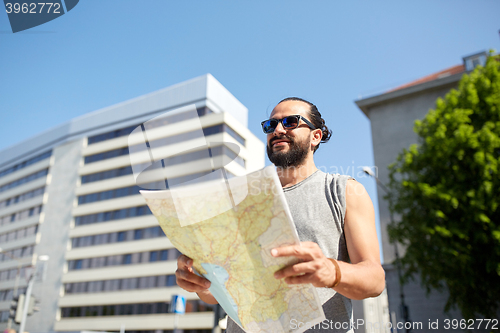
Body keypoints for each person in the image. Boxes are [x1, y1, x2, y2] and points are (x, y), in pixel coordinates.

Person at [176, 97, 385, 332]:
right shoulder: (242, 199)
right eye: (270, 125)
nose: (277, 130)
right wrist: (201, 283)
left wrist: (331, 271)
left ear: (316, 136)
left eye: (290, 122)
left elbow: (375, 280)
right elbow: (220, 294)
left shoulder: (344, 190)